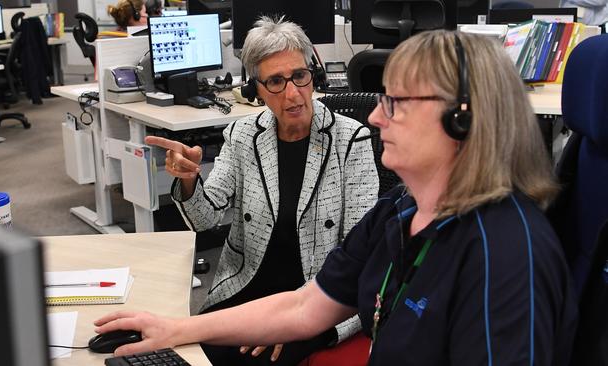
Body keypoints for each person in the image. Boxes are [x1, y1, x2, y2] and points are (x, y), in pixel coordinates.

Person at [95, 30, 578, 365]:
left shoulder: (509, 255)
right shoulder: (401, 212)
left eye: (395, 103)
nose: (375, 119)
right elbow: (306, 306)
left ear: (464, 119)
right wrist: (175, 329)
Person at [141, 15, 378, 365]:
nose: (294, 93)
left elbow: (363, 259)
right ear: (257, 90)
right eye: (276, 81)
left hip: (313, 301)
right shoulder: (242, 136)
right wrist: (190, 179)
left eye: (299, 76)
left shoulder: (350, 140)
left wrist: (315, 328)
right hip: (246, 289)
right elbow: (205, 221)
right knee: (185, 355)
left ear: (314, 75)